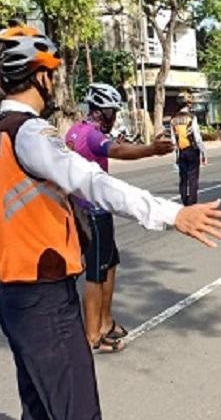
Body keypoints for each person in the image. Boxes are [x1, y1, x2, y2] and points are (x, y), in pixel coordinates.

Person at [0, 26, 221, 420]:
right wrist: (172, 214)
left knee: (41, 418)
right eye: (51, 74)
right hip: (44, 300)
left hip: (14, 297)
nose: (54, 82)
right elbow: (93, 181)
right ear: (39, 78)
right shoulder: (31, 133)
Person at [66, 82, 175, 354]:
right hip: (93, 212)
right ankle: (93, 334)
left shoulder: (74, 130)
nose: (114, 118)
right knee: (96, 274)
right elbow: (117, 151)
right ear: (100, 111)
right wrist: (152, 149)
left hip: (89, 209)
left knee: (110, 264)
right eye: (112, 112)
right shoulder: (91, 135)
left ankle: (105, 321)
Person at [172, 91, 207, 205]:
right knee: (192, 178)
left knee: (183, 178)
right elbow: (197, 137)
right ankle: (192, 202)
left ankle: (184, 201)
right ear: (188, 104)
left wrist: (176, 156)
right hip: (192, 150)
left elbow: (174, 140)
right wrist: (203, 152)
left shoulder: (173, 119)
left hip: (181, 151)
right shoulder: (191, 118)